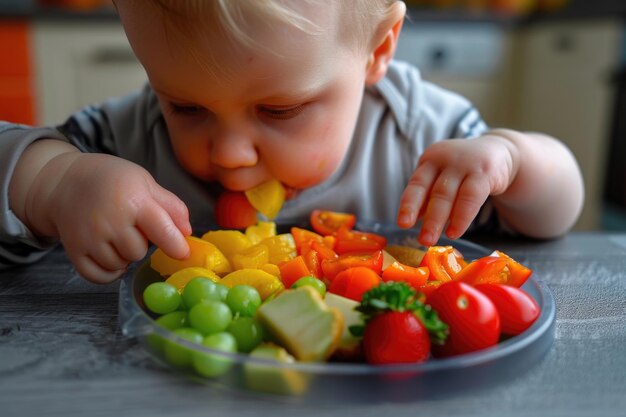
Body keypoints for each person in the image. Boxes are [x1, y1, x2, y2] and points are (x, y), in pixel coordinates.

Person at [0, 0, 584, 284]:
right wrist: (55, 183)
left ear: (378, 51)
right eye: (186, 106)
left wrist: (513, 156)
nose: (229, 153)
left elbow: (555, 214)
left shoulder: (427, 135)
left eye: (280, 110)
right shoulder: (123, 139)